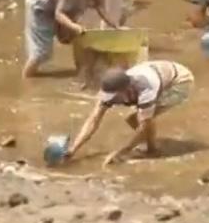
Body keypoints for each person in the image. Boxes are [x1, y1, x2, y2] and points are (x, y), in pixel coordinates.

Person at [64, 60, 195, 167]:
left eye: (115, 95)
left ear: (126, 89)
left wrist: (122, 152)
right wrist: (73, 149)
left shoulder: (146, 88)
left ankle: (152, 150)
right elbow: (93, 120)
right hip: (160, 73)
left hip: (180, 81)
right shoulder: (111, 86)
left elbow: (144, 125)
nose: (111, 99)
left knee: (139, 119)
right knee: (136, 120)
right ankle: (152, 148)